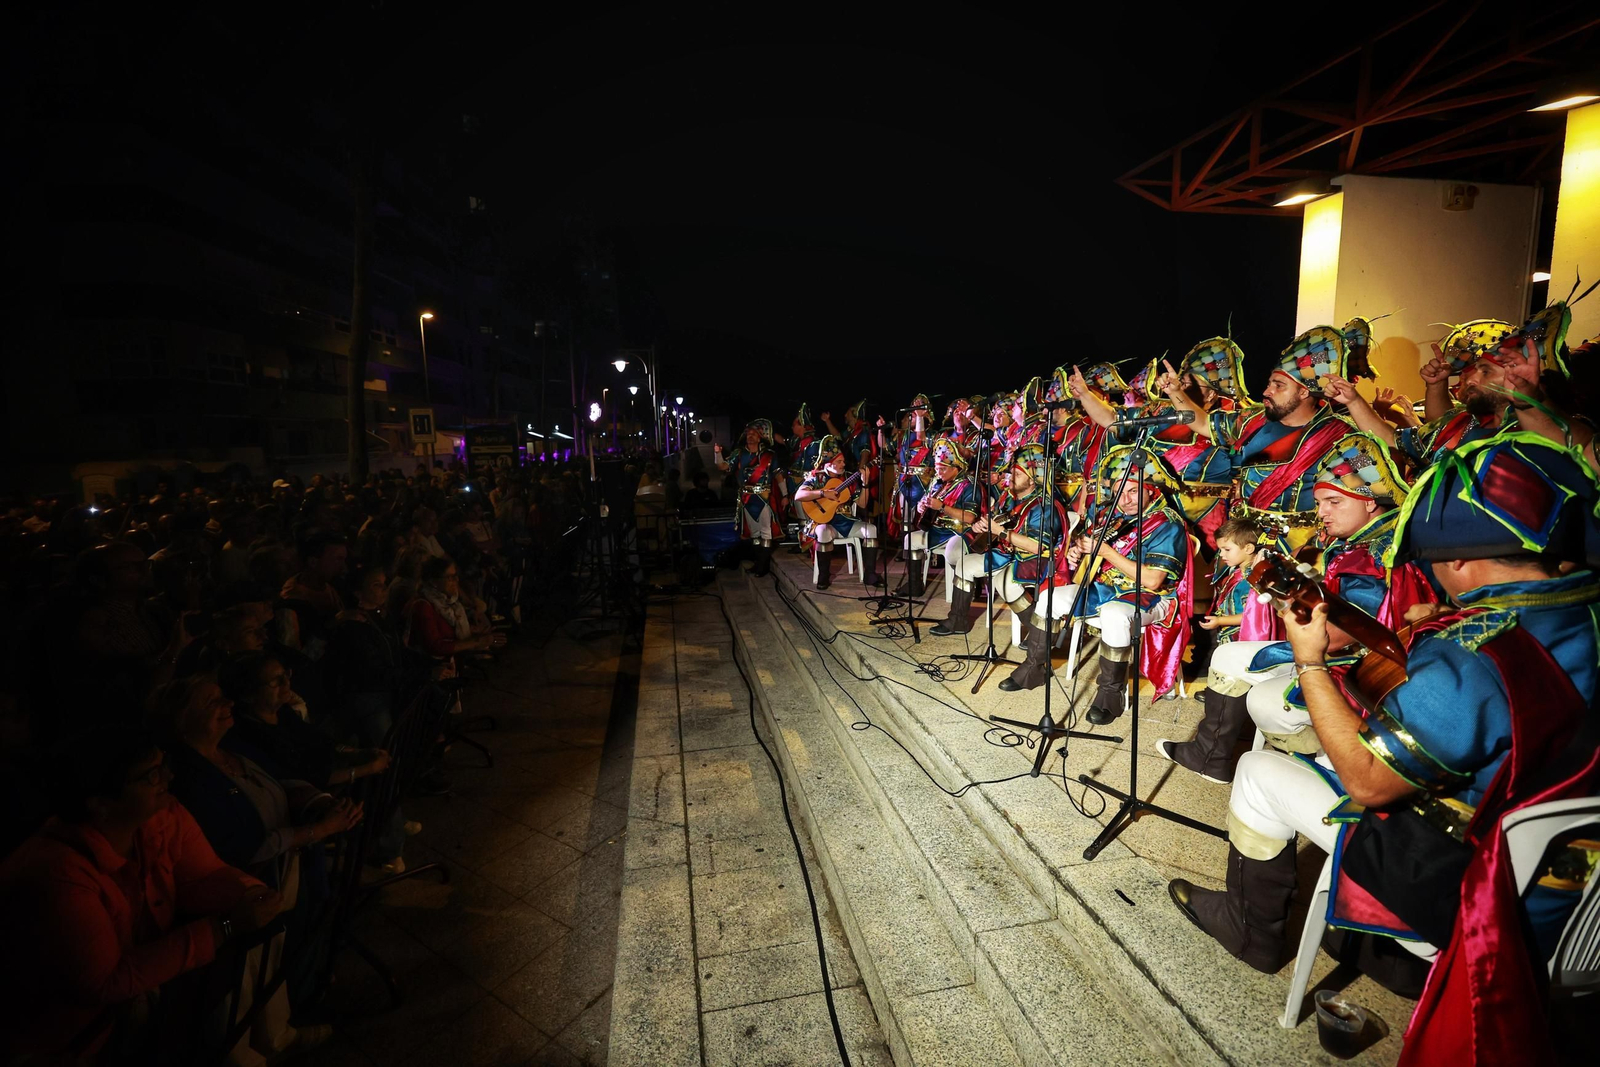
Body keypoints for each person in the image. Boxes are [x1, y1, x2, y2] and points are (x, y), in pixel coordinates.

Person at [1168, 434, 1598, 1067]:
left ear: (1458, 558)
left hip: (1490, 897)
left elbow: (1370, 782)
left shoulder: (1477, 655)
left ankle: (1251, 931)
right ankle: (1380, 954)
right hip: (1579, 890)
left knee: (1259, 772)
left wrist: (1310, 662)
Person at [0, 729, 290, 1063]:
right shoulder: (59, 876)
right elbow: (105, 981)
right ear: (100, 804)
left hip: (126, 1009)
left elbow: (204, 872)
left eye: (163, 765)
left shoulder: (157, 817)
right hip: (65, 1041)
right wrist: (224, 927)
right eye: (150, 775)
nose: (168, 777)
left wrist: (251, 893)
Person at [1159, 434, 1430, 780]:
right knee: (1227, 656)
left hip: (1359, 671)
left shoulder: (1372, 556)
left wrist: (1287, 604)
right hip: (1335, 650)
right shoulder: (1353, 544)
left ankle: (1328, 766)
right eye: (1319, 503)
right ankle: (1211, 757)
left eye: (1334, 502)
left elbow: (1333, 638)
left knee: (1260, 697)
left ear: (1370, 502)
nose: (1322, 513)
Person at [1007, 447, 1192, 712]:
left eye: (1133, 491)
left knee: (1115, 614)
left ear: (1151, 490)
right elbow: (1088, 547)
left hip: (1153, 597)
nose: (1125, 500)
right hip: (1106, 588)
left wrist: (1106, 552)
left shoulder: (1167, 524)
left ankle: (1111, 693)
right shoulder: (1113, 516)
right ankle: (1034, 668)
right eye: (1120, 492)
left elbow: (1153, 580)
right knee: (1049, 598)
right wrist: (1078, 551)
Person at [1158, 325, 1361, 555]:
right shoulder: (1252, 420)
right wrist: (1175, 392)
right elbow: (1203, 423)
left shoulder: (1338, 434)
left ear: (1304, 392)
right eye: (1269, 384)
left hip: (1299, 550)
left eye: (1278, 386)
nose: (1267, 391)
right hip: (1243, 544)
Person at [1326, 318, 1518, 466]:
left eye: (1486, 371)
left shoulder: (1526, 437)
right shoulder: (1469, 422)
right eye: (1471, 371)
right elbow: (1394, 440)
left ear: (1518, 374)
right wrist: (1353, 400)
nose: (1470, 380)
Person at [952, 445, 1066, 664]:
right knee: (965, 563)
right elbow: (996, 524)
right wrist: (981, 526)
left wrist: (1001, 532)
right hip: (1007, 553)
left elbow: (1038, 548)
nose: (1010, 477)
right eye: (1010, 473)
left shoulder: (1045, 506)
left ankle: (1043, 633)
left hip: (1037, 559)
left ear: (1032, 480)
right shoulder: (1008, 497)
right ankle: (957, 621)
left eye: (1017, 474)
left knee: (1004, 582)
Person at [792, 435, 881, 589]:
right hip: (824, 522)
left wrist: (865, 484)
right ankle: (823, 576)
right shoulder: (817, 478)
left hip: (846, 521)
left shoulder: (849, 478)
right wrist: (823, 493)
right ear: (828, 463)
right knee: (823, 532)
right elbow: (799, 495)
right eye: (839, 461)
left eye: (843, 461)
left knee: (871, 529)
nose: (843, 464)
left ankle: (870, 574)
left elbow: (862, 503)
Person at [919, 437, 983, 633]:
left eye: (943, 468)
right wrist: (921, 506)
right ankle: (914, 586)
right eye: (937, 467)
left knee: (955, 555)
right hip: (937, 529)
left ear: (957, 467)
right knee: (909, 540)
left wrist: (942, 507)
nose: (938, 472)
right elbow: (927, 505)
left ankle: (959, 617)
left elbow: (970, 518)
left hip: (960, 531)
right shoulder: (938, 483)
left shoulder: (969, 485)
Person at [716, 419, 786, 577]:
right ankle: (758, 564)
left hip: (764, 497)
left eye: (754, 433)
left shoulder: (769, 455)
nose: (750, 436)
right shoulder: (739, 453)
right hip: (746, 498)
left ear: (760, 437)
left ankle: (763, 567)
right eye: (748, 433)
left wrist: (785, 495)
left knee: (766, 532)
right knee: (754, 534)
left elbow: (779, 476)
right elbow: (722, 466)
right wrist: (717, 453)